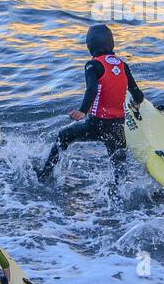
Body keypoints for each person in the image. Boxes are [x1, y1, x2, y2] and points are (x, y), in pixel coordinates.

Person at [37, 23, 145, 183]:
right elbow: (138, 95)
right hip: (118, 127)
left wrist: (83, 111)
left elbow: (92, 89)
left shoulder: (92, 65)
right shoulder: (123, 65)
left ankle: (44, 176)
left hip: (97, 124)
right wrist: (135, 105)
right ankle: (120, 199)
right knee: (119, 170)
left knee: (63, 136)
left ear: (89, 47)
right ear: (112, 44)